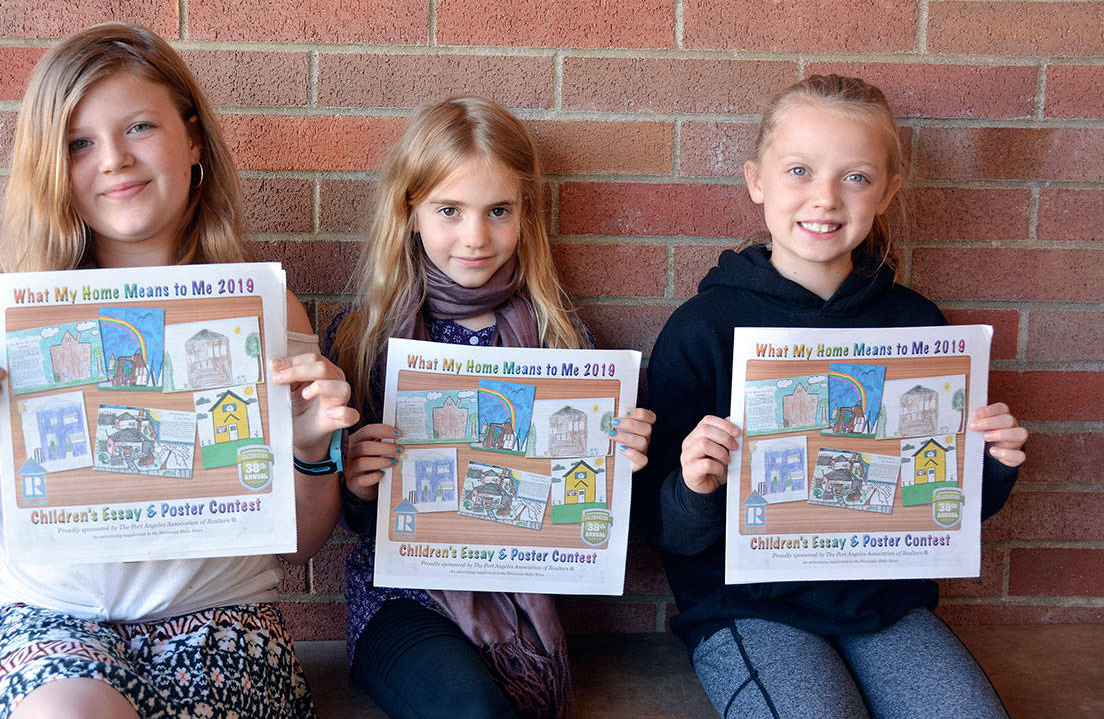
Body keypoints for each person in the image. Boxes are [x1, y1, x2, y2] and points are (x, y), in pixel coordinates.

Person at [0, 23, 359, 719]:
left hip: (223, 627)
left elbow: (299, 539)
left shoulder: (258, 307)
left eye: (139, 126)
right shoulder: (0, 312)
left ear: (193, 140)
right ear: (51, 164)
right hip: (49, 627)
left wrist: (312, 449)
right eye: (79, 142)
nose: (114, 160)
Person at [638, 74, 1028, 718]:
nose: (825, 198)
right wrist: (697, 485)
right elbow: (664, 531)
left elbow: (944, 509)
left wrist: (993, 465)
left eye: (855, 177)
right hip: (747, 607)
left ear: (887, 192)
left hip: (883, 604)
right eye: (799, 170)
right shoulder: (703, 328)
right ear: (756, 181)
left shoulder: (916, 327)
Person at [325, 98, 656, 718]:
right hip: (402, 600)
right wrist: (356, 484)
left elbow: (587, 516)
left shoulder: (562, 339)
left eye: (498, 211)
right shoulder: (362, 338)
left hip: (523, 595)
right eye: (449, 211)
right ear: (410, 212)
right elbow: (340, 518)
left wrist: (621, 466)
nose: (475, 237)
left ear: (524, 216)